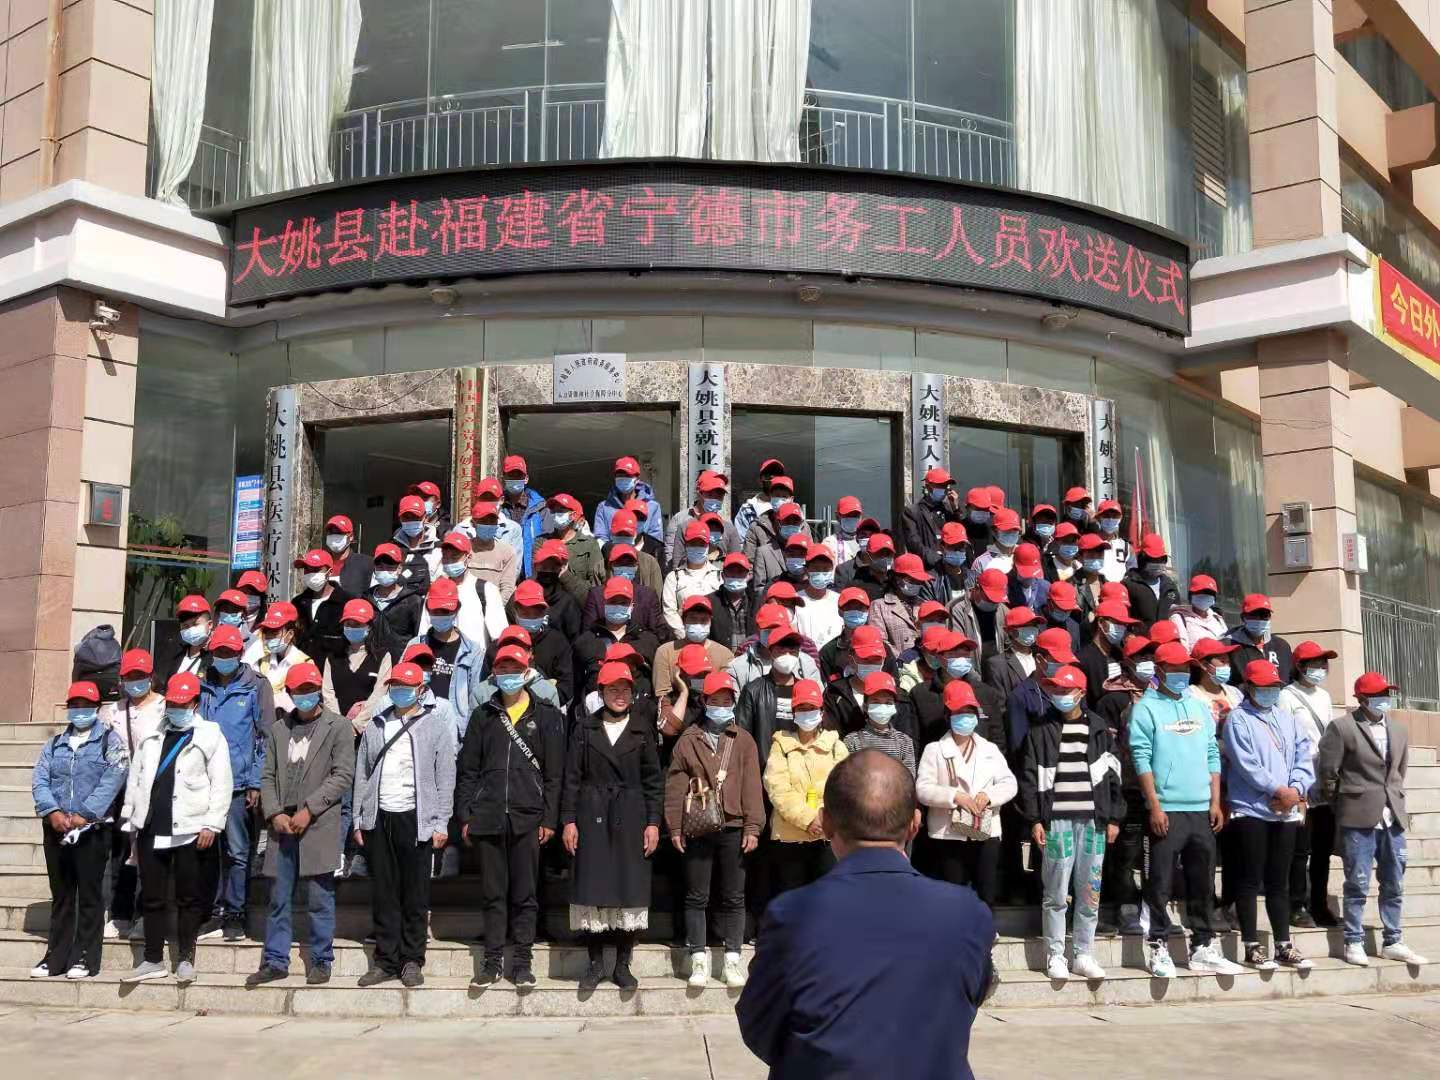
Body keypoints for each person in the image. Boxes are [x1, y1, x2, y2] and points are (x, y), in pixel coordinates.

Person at [738, 751, 993, 1080]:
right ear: (915, 823)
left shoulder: (792, 915)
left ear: (826, 822)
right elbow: (969, 1000)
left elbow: (759, 1025)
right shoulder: (967, 913)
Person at [1128, 642, 1242, 977]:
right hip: (1166, 809)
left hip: (1201, 809)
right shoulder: (1146, 708)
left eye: (1184, 668)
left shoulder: (1197, 706)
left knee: (1203, 882)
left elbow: (1211, 753)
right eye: (1174, 668)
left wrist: (1215, 801)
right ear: (1159, 670)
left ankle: (1203, 946)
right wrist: (1154, 805)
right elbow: (1140, 757)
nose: (1181, 673)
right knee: (1159, 882)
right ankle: (1158, 946)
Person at [458, 642, 564, 988]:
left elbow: (555, 775)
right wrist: (465, 814)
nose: (508, 675)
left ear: (526, 672)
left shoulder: (546, 715)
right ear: (494, 672)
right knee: (493, 893)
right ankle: (491, 962)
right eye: (502, 668)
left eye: (514, 669)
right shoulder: (483, 715)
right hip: (488, 815)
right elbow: (468, 770)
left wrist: (549, 819)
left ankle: (521, 962)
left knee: (525, 894)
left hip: (528, 816)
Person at [119, 673, 231, 985]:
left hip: (191, 828)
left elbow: (222, 782)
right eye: (173, 703)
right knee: (152, 896)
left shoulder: (210, 735)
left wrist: (212, 823)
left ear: (195, 703)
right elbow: (136, 777)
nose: (177, 708)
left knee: (188, 898)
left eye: (183, 704)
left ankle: (185, 958)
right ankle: (152, 958)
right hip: (152, 826)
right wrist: (131, 818)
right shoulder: (152, 734)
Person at [246, 663, 354, 986]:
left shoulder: (338, 727)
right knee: (278, 898)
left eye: (310, 689)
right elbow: (267, 776)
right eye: (299, 691)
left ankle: (321, 959)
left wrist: (310, 809)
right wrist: (274, 812)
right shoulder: (279, 730)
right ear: (290, 694)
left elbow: (342, 775)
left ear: (319, 690)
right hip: (282, 826)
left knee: (320, 897)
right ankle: (275, 959)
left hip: (317, 822)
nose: (305, 695)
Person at [352, 662, 456, 988]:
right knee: (384, 892)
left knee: (415, 893)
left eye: (407, 686)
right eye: (395, 685)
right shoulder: (376, 725)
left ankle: (411, 959)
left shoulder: (435, 725)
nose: (400, 691)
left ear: (421, 689)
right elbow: (362, 773)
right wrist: (358, 818)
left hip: (416, 817)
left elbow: (445, 776)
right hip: (380, 816)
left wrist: (441, 822)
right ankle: (385, 960)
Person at [562, 661, 663, 991]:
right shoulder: (584, 728)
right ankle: (594, 964)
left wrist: (653, 822)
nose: (620, 695)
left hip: (631, 815)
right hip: (591, 814)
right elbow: (571, 779)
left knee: (628, 888)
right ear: (601, 692)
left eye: (625, 689)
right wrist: (569, 820)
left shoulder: (642, 729)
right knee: (592, 888)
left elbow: (654, 781)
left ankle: (622, 963)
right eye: (613, 689)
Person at [1018, 665, 1122, 982]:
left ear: (1080, 692)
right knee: (1056, 891)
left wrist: (1114, 816)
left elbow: (1115, 775)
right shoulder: (1040, 731)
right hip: (1056, 822)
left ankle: (1083, 953)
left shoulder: (1099, 729)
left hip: (1093, 822)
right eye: (1056, 690)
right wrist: (1035, 819)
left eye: (1066, 690)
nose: (1060, 695)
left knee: (1090, 891)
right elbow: (1029, 778)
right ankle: (1055, 954)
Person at [1319, 671, 1429, 967]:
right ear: (1363, 698)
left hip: (1392, 815)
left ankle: (1393, 939)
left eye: (1387, 694)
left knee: (1394, 880)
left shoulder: (1399, 730)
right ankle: (1353, 940)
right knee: (1357, 880)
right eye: (1379, 694)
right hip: (1358, 814)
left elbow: (1399, 771)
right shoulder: (1342, 727)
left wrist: (1394, 797)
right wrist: (1343, 802)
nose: (1385, 699)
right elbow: (1328, 772)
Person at [665, 671, 764, 988]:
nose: (721, 705)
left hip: (734, 824)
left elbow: (752, 785)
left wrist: (753, 826)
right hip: (699, 824)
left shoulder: (743, 740)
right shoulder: (688, 739)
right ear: (704, 701)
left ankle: (732, 959)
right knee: (697, 895)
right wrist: (675, 827)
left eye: (726, 700)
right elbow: (675, 786)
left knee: (734, 895)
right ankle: (698, 957)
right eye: (715, 700)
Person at [30, 681, 128, 980]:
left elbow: (115, 776)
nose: (80, 711)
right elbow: (40, 779)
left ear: (96, 708)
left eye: (86, 706)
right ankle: (56, 956)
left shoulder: (110, 741)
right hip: (56, 829)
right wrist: (52, 811)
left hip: (92, 830)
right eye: (75, 705)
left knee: (89, 894)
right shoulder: (54, 744)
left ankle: (85, 956)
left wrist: (85, 813)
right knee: (61, 895)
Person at [1222, 659, 1314, 971]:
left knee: (1279, 880)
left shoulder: (1287, 718)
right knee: (1250, 878)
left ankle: (1283, 944)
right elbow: (1246, 764)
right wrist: (1277, 789)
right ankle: (1251, 945)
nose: (1269, 692)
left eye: (1274, 686)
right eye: (1263, 687)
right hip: (1251, 809)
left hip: (1285, 810)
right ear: (1249, 687)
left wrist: (1296, 789)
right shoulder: (1238, 719)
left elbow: (1303, 756)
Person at [199, 623, 273, 941]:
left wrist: (256, 781)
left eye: (229, 652)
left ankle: (235, 915)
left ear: (240, 653)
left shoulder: (257, 685)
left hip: (239, 784)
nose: (223, 657)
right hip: (203, 782)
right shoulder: (203, 685)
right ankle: (212, 912)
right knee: (207, 852)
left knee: (238, 852)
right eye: (219, 652)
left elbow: (266, 737)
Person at [915, 679, 1016, 911]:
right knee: (952, 897)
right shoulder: (934, 750)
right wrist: (954, 796)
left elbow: (1009, 783)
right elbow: (923, 788)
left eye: (970, 712)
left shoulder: (989, 749)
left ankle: (985, 931)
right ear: (948, 714)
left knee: (986, 895)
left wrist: (988, 795)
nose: (966, 717)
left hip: (986, 832)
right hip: (948, 834)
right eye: (959, 712)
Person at [100, 650, 167, 940]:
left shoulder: (165, 707)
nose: (135, 681)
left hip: (153, 789)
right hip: (121, 790)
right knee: (121, 854)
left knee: (149, 854)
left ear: (151, 676)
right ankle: (120, 914)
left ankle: (144, 915)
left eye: (140, 675)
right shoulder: (112, 711)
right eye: (129, 676)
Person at [762, 679, 847, 897]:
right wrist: (808, 819)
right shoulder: (781, 745)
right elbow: (777, 788)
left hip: (827, 838)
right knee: (793, 902)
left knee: (827, 901)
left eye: (811, 708)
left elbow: (845, 788)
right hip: (790, 838)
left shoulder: (836, 746)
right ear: (793, 713)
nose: (807, 713)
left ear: (821, 711)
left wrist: (825, 819)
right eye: (801, 708)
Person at [1280, 640, 1342, 928]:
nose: (1320, 669)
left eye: (1323, 664)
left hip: (1324, 779)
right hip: (1299, 778)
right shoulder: (1286, 696)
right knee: (1299, 848)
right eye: (1314, 664)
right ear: (1300, 666)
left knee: (1322, 848)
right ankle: (1296, 905)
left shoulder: (1325, 697)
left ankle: (1319, 904)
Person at [429, 530, 508, 650]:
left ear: (468, 557)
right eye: (445, 557)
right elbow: (424, 632)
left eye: (455, 557)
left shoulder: (486, 590)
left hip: (477, 660)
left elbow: (500, 637)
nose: (449, 562)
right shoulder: (435, 591)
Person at [503, 581, 575, 702]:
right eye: (525, 613)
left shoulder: (558, 642)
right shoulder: (503, 643)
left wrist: (544, 701)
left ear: (545, 612)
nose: (531, 618)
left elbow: (566, 688)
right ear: (515, 611)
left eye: (537, 613)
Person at [842, 671, 916, 776]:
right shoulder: (852, 741)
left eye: (888, 703)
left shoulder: (904, 742)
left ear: (894, 707)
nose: (882, 706)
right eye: (876, 702)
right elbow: (849, 778)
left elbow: (908, 779)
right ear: (865, 706)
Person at [662, 521, 723, 639]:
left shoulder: (719, 575)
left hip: (714, 638)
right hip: (682, 638)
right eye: (693, 543)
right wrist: (684, 634)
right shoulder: (673, 577)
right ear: (686, 545)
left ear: (708, 546)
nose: (697, 547)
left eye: (701, 544)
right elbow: (669, 611)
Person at [365, 543, 426, 659]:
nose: (384, 571)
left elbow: (420, 638)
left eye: (390, 566)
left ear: (399, 568)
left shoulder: (414, 601)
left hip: (400, 664)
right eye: (380, 566)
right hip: (370, 664)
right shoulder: (365, 599)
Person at [292, 548, 352, 666]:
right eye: (307, 570)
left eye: (316, 569)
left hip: (334, 671)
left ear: (330, 572)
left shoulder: (346, 603)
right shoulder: (297, 603)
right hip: (302, 671)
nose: (311, 574)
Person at [461, 495, 521, 605]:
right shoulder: (463, 549)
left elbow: (507, 588)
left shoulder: (507, 552)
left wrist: (494, 609)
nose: (488, 525)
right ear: (473, 523)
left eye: (492, 521)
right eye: (483, 521)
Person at [869, 553, 930, 658]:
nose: (916, 584)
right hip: (898, 664)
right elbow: (880, 641)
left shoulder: (925, 605)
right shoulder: (879, 606)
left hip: (926, 663)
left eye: (918, 581)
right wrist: (901, 659)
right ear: (896, 578)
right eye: (911, 580)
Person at [901, 466, 963, 571]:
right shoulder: (912, 511)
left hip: (949, 567)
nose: (944, 489)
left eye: (946, 486)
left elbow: (959, 535)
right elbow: (914, 544)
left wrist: (956, 509)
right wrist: (937, 559)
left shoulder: (947, 510)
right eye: (940, 485)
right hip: (928, 569)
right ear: (928, 487)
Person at [1077, 600, 1136, 708]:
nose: (1122, 628)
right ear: (1101, 622)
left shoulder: (1120, 655)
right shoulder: (1083, 659)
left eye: (1124, 624)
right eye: (1117, 623)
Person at [1225, 593, 1294, 685]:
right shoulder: (1228, 646)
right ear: (1243, 617)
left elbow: (1290, 678)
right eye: (1253, 615)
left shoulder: (1282, 646)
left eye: (1264, 615)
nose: (1259, 620)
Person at [592, 456, 663, 545]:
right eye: (619, 475)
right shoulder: (603, 507)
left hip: (642, 553)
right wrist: (614, 551)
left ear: (637, 478)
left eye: (627, 475)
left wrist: (638, 552)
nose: (623, 478)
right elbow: (600, 538)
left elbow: (655, 538)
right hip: (612, 553)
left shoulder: (652, 507)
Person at [746, 494, 811, 589]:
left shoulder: (809, 549)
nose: (791, 525)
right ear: (778, 522)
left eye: (795, 521)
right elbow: (758, 588)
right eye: (787, 521)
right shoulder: (764, 552)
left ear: (801, 524)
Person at [498, 454, 548, 578]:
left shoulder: (541, 508)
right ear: (504, 478)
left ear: (526, 479)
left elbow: (548, 542)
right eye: (511, 475)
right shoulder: (497, 507)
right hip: (502, 573)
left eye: (518, 476)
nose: (515, 479)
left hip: (532, 574)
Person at [791, 543, 841, 649]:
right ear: (806, 570)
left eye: (825, 569)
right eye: (816, 568)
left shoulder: (839, 600)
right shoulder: (795, 600)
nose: (820, 573)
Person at [1120, 533, 1179, 625]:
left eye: (1161, 559)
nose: (1158, 563)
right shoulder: (1128, 585)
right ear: (1142, 559)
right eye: (1153, 559)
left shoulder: (1170, 587)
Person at [156, 593, 212, 682]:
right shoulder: (175, 653)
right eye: (185, 626)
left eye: (195, 624)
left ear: (210, 625)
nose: (190, 629)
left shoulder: (217, 656)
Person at [709, 552, 757, 653]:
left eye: (740, 572)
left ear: (749, 576)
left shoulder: (758, 602)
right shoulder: (710, 602)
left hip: (751, 659)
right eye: (730, 571)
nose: (735, 576)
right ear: (723, 575)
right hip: (721, 659)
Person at [392, 493, 440, 589]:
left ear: (425, 517)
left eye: (415, 517)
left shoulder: (438, 550)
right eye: (406, 517)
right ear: (400, 518)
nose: (411, 521)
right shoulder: (392, 549)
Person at [733, 457, 789, 539]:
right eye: (768, 474)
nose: (773, 477)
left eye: (778, 474)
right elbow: (742, 542)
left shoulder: (792, 507)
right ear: (760, 481)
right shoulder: (747, 510)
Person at [1169, 573, 1227, 651]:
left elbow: (1226, 643)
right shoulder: (1179, 618)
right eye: (1200, 593)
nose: (1204, 596)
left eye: (1209, 593)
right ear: (1190, 596)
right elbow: (1182, 649)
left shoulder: (1217, 618)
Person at [323, 514, 374, 596]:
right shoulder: (320, 563)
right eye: (331, 532)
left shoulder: (366, 563)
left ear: (351, 536)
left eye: (339, 532)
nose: (334, 536)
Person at [1094, 499, 1131, 582]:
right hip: (1098, 587)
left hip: (1120, 588)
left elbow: (1132, 572)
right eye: (1106, 516)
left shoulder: (1126, 546)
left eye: (1115, 516)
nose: (1110, 519)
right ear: (1098, 518)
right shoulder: (1090, 544)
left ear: (1120, 518)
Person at [824, 495, 866, 564]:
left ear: (861, 516)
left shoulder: (868, 542)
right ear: (837, 517)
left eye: (856, 515)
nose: (852, 519)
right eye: (848, 515)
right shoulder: (829, 543)